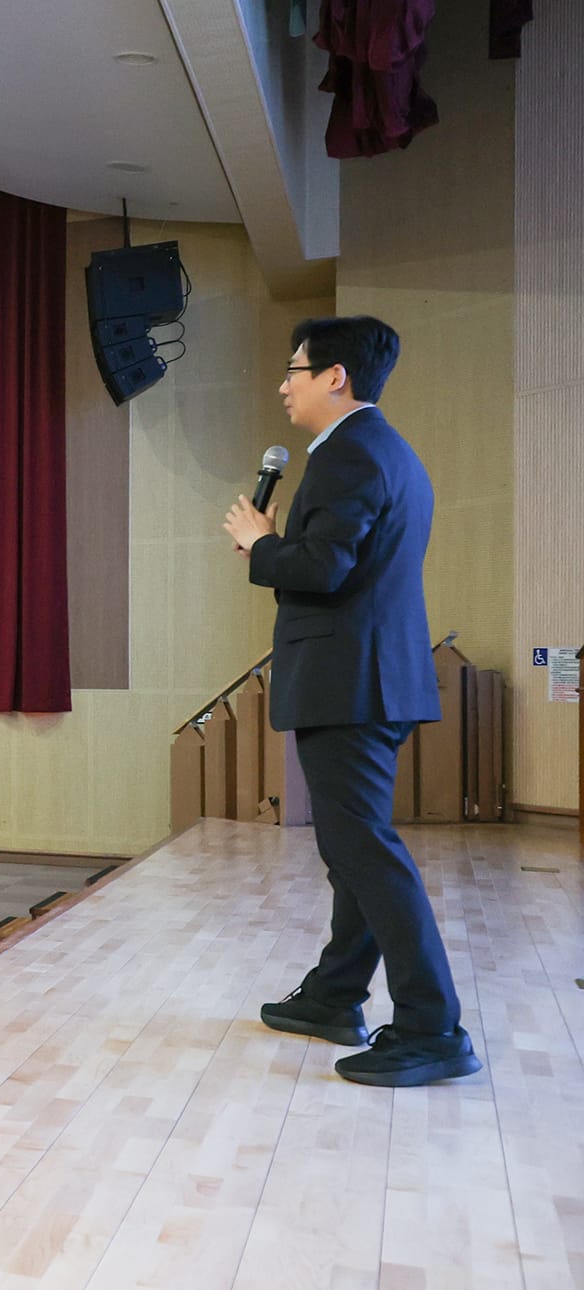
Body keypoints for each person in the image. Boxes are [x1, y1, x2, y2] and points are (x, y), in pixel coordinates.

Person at [223, 315, 479, 1089]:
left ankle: (433, 1028)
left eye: (294, 370)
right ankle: (335, 996)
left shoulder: (349, 455)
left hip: (350, 684)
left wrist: (261, 543)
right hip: (369, 679)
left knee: (364, 850)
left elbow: (323, 568)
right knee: (351, 850)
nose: (283, 386)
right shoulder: (387, 452)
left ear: (336, 376)